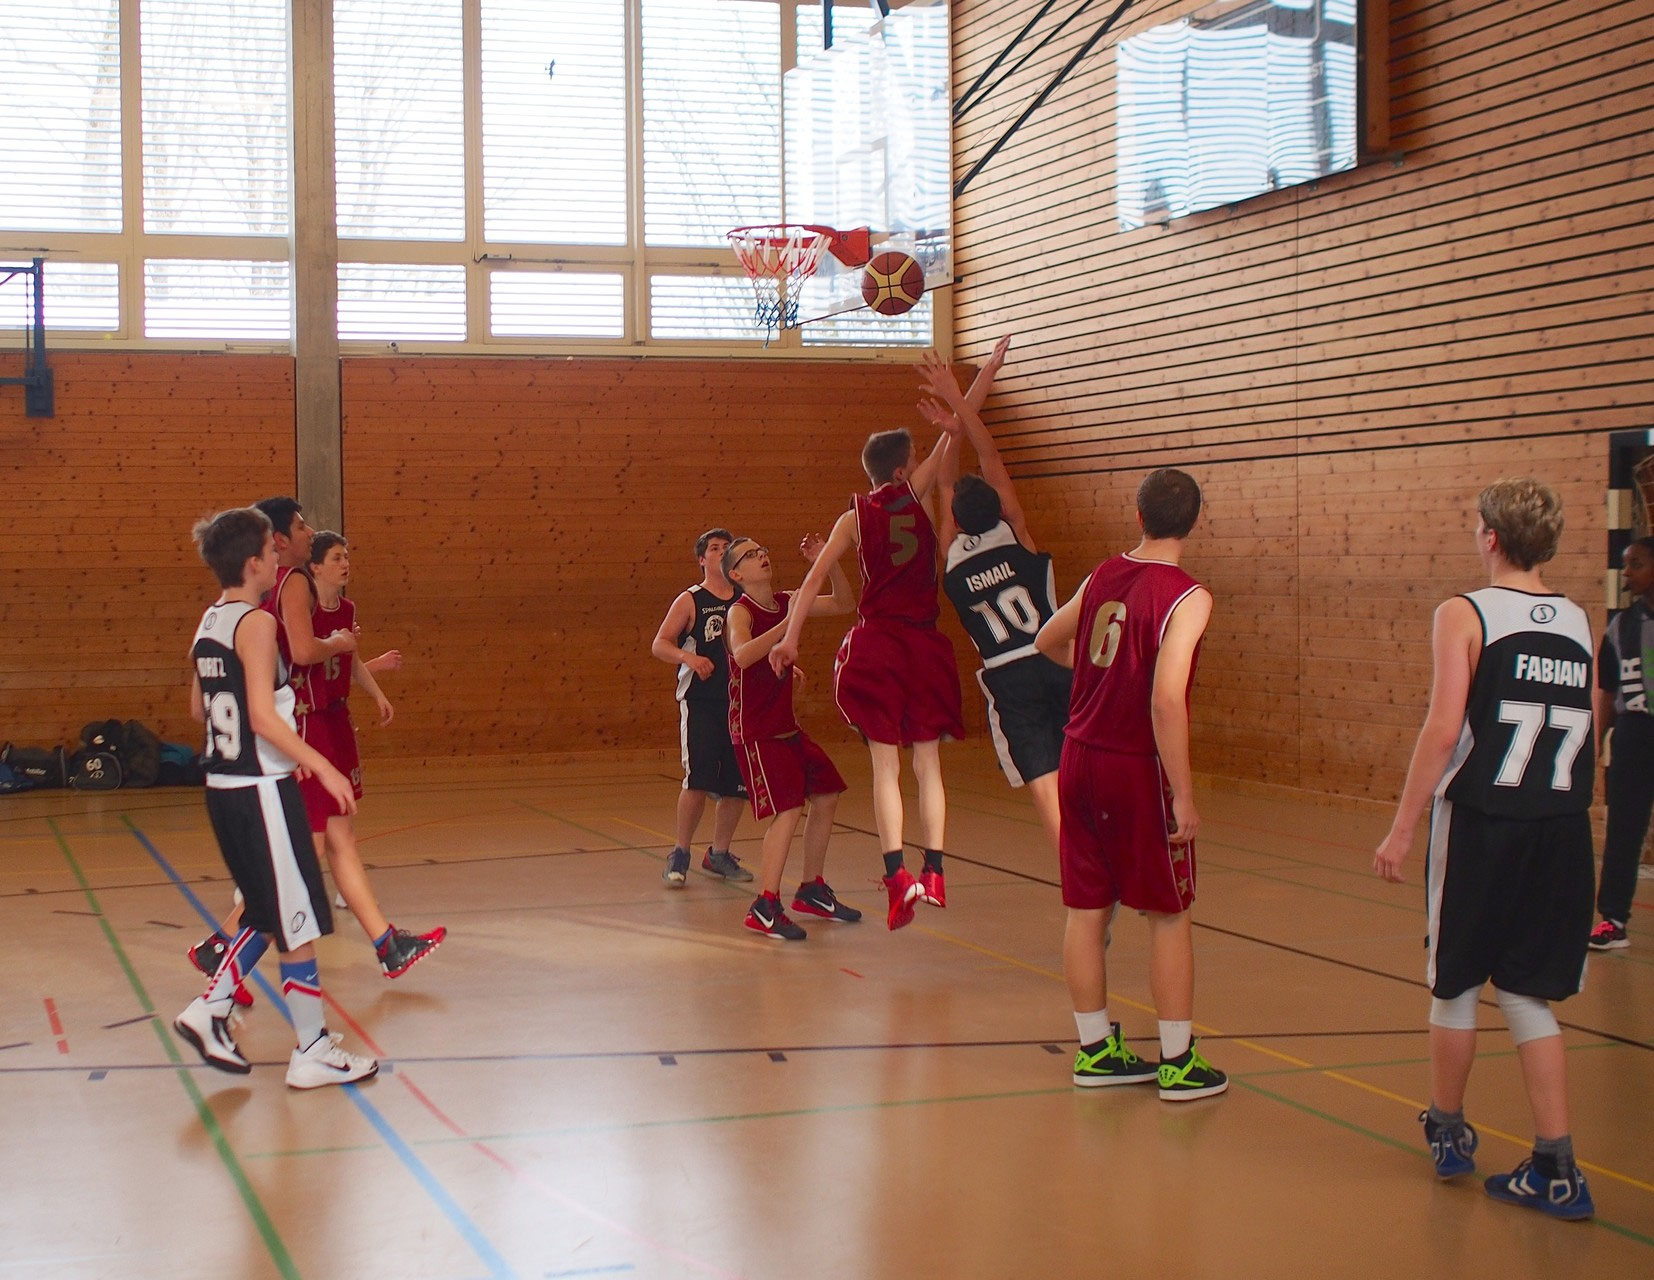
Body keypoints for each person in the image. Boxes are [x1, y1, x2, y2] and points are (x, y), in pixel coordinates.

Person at [1374, 478, 1595, 1219]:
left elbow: (1443, 731)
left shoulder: (1463, 613)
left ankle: (1447, 1127)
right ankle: (1557, 1165)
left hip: (1484, 822)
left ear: (1490, 538)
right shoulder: (1576, 621)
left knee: (1457, 983)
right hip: (1562, 826)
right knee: (1529, 994)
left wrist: (1404, 825)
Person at [1035, 468, 1225, 1099]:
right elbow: (1167, 702)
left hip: (1079, 754)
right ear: (1193, 522)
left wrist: (1098, 681)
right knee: (1169, 914)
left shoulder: (1102, 575)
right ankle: (1177, 1061)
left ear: (1138, 517)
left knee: (1085, 910)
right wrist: (1187, 794)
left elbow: (1045, 640)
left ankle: (1094, 1049)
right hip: (1134, 766)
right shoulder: (1187, 596)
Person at [173, 506, 378, 1089]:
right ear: (254, 561)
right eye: (271, 546)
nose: (280, 552)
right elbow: (261, 716)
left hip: (224, 788)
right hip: (262, 789)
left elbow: (198, 710)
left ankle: (211, 1008)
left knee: (272, 914)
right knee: (297, 918)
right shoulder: (256, 623)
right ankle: (308, 1048)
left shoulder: (210, 620)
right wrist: (322, 765)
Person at [769, 416, 964, 931]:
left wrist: (790, 637)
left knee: (885, 767)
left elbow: (812, 582)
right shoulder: (915, 492)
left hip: (879, 644)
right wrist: (956, 412)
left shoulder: (853, 516)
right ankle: (936, 870)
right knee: (928, 763)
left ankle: (898, 875)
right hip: (922, 642)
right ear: (903, 472)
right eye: (916, 458)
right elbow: (955, 431)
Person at [923, 340, 1072, 854]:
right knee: (1090, 761)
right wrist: (972, 388)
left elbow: (946, 481)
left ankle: (1078, 872)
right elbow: (990, 455)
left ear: (958, 520)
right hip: (1059, 660)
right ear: (999, 507)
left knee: (1045, 783)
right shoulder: (1016, 533)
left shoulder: (951, 557)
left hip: (1009, 675)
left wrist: (950, 435)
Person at [292, 531, 444, 976]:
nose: (346, 563)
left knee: (341, 838)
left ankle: (386, 943)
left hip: (336, 721)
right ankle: (229, 940)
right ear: (314, 567)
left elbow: (349, 660)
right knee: (312, 850)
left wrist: (375, 691)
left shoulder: (349, 611)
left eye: (347, 556)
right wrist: (339, 646)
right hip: (309, 725)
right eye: (337, 557)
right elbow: (307, 659)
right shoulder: (302, 613)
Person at [722, 534, 859, 939]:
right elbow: (743, 655)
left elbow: (843, 603)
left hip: (786, 728)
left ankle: (812, 888)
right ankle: (765, 904)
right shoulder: (739, 612)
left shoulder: (787, 598)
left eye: (762, 550)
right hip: (755, 731)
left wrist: (827, 561)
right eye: (750, 554)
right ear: (736, 573)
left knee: (828, 792)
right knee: (788, 808)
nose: (761, 555)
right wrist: (788, 626)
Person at [649, 528, 751, 887]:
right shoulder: (691, 599)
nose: (722, 552)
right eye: (715, 548)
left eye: (727, 548)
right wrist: (688, 658)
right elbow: (659, 644)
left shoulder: (746, 599)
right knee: (698, 780)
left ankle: (719, 854)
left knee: (738, 784)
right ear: (702, 559)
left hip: (740, 702)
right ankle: (680, 851)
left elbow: (760, 644)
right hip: (702, 702)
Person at [1587, 535, 1654, 950]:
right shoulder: (1621, 627)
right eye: (1626, 564)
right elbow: (1608, 691)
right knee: (1624, 830)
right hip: (1634, 738)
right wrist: (1595, 742)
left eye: (1637, 564)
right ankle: (1613, 920)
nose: (1627, 573)